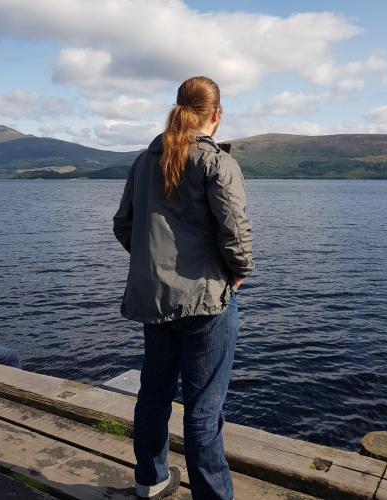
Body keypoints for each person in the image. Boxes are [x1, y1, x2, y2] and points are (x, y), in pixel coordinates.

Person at [113, 76, 254, 500]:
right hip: (207, 303)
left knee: (153, 395)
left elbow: (124, 225)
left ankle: (150, 480)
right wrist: (239, 270)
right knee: (204, 409)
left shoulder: (143, 161)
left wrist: (152, 264)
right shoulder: (217, 162)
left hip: (155, 302)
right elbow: (236, 233)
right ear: (217, 114)